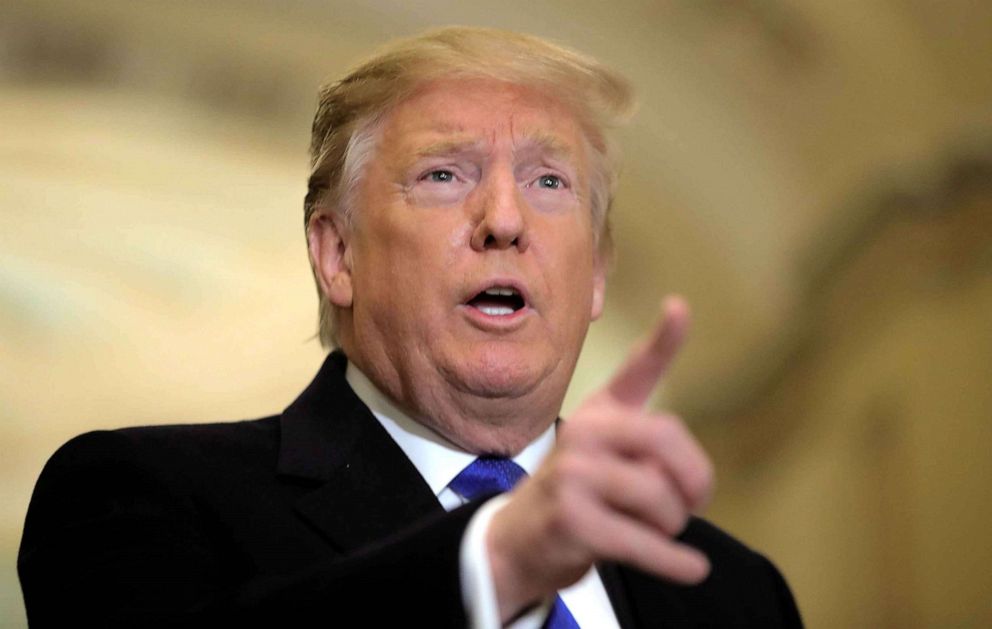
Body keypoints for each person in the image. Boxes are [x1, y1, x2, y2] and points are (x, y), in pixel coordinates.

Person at [18, 27, 802, 628]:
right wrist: (495, 561)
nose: (503, 219)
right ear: (337, 255)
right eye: (443, 174)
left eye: (549, 180)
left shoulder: (732, 589)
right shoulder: (135, 498)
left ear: (597, 272)